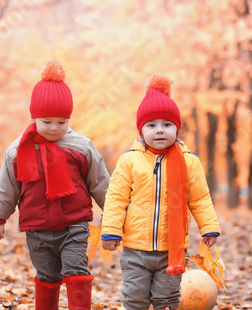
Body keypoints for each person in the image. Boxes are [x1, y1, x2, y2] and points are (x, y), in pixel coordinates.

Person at [0, 59, 110, 310]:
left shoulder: (81, 146)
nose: (55, 128)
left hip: (74, 226)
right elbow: (7, 187)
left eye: (62, 122)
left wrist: (113, 214)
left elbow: (99, 182)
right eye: (47, 121)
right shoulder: (17, 151)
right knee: (47, 275)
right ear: (34, 117)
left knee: (76, 269)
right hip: (38, 229)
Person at [101, 74, 221, 310]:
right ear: (141, 130)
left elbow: (200, 199)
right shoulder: (129, 161)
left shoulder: (189, 162)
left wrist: (208, 227)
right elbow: (116, 198)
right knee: (134, 297)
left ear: (177, 128)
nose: (159, 131)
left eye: (167, 125)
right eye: (151, 125)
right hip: (135, 248)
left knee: (167, 299)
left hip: (172, 249)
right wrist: (111, 231)